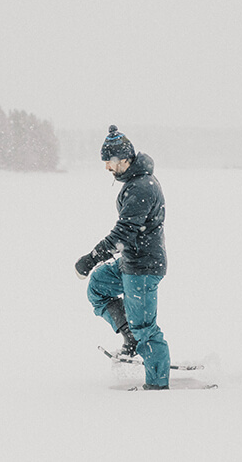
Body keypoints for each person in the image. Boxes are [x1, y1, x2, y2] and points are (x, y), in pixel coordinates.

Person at [75, 125, 171, 390]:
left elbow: (123, 234)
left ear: (125, 159)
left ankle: (157, 386)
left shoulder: (142, 187)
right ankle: (129, 335)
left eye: (110, 161)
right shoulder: (136, 182)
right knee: (98, 286)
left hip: (143, 267)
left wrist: (91, 257)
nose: (107, 167)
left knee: (146, 330)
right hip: (131, 261)